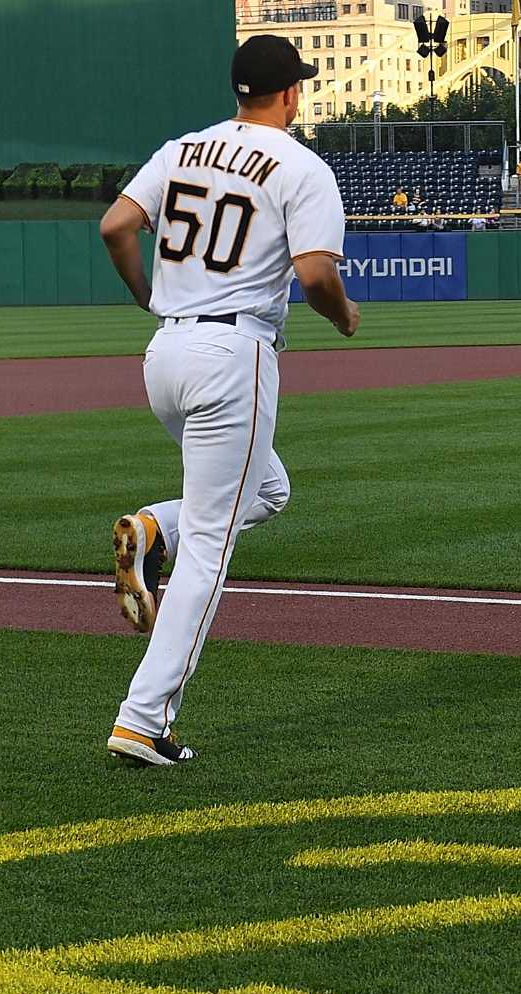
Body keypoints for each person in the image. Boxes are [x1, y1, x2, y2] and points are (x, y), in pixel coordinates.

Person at [96, 34, 359, 767]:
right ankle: (142, 719)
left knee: (267, 488)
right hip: (230, 358)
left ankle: (154, 530)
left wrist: (150, 296)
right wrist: (342, 316)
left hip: (166, 356)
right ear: (292, 93)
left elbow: (116, 225)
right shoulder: (302, 167)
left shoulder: (182, 149)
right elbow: (313, 275)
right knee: (211, 550)